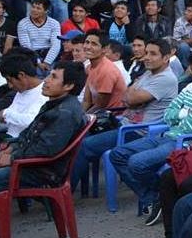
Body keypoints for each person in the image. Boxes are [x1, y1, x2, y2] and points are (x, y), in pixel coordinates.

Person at [111, 49, 192, 223]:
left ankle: (157, 196)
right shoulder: (191, 87)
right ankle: (154, 197)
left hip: (184, 142)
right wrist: (185, 113)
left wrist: (180, 114)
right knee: (118, 154)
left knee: (136, 162)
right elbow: (168, 113)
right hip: (167, 135)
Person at [71, 38, 179, 194]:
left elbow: (131, 98)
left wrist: (133, 94)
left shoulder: (166, 78)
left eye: (153, 54)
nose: (146, 57)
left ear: (166, 58)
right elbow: (126, 96)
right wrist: (133, 95)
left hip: (139, 132)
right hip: (125, 123)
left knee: (85, 146)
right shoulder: (149, 73)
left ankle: (66, 190)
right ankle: (70, 187)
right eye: (147, 52)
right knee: (79, 134)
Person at [0, 61, 86, 205]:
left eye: (53, 77)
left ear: (68, 86)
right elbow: (28, 134)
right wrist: (10, 147)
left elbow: (46, 149)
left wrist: (13, 157)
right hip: (25, 163)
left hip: (37, 171)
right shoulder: (53, 104)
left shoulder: (65, 113)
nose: (46, 80)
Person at [0, 51, 48, 166]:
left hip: (14, 148)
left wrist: (6, 114)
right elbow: (9, 124)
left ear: (22, 76)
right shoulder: (21, 91)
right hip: (0, 140)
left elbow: (31, 122)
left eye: (9, 80)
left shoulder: (43, 94)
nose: (9, 85)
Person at [82, 29, 127, 111]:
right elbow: (86, 101)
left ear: (104, 49)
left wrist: (82, 119)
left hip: (113, 117)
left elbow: (100, 106)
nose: (88, 47)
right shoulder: (89, 67)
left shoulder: (107, 71)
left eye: (94, 44)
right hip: (98, 113)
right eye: (87, 42)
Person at [17, 0, 62, 75]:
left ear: (46, 11)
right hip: (31, 56)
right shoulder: (23, 23)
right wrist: (38, 62)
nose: (34, 10)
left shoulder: (54, 23)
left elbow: (56, 45)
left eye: (38, 8)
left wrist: (47, 62)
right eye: (33, 7)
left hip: (50, 56)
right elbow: (26, 46)